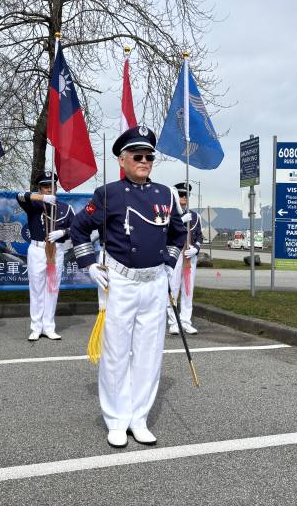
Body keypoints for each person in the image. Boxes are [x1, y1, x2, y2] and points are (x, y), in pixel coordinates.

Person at [70, 125, 187, 448]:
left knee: (149, 354)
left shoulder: (165, 195)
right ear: (122, 160)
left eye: (149, 156)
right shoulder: (108, 194)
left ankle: (139, 417)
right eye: (138, 156)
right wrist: (89, 264)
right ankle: (117, 419)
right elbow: (79, 229)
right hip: (121, 282)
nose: (144, 161)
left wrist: (169, 263)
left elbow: (178, 233)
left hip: (154, 283)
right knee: (116, 353)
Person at [17, 172, 75, 341]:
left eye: (52, 186)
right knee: (36, 289)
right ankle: (36, 327)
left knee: (52, 288)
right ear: (40, 189)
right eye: (45, 186)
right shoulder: (33, 205)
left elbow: (76, 228)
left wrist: (63, 232)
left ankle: (49, 326)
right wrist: (42, 198)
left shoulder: (65, 208)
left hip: (56, 250)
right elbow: (19, 196)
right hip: (37, 249)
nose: (49, 189)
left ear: (56, 188)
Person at [168, 182, 204, 335]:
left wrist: (196, 248)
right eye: (181, 195)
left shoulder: (195, 216)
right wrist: (180, 220)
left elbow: (199, 236)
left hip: (189, 258)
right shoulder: (170, 215)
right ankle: (173, 322)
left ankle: (185, 321)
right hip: (175, 256)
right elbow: (165, 234)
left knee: (188, 291)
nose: (184, 198)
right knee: (173, 289)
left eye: (186, 195)